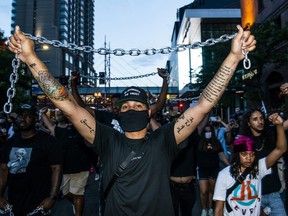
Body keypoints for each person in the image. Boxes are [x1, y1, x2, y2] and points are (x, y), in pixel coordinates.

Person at [8, 25, 256, 215]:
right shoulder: (106, 139)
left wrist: (234, 57)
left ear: (149, 113)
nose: (131, 109)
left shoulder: (164, 139)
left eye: (138, 105)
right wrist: (31, 57)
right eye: (125, 106)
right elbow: (67, 105)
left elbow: (204, 104)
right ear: (118, 113)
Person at [213, 113, 287, 216]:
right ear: (237, 154)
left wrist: (279, 125)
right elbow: (218, 210)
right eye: (244, 154)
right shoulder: (224, 175)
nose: (248, 158)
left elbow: (281, 149)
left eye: (251, 154)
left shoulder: (258, 168)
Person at [0, 104, 63, 216]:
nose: (22, 119)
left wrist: (52, 197)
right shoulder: (9, 143)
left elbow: (56, 169)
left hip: (39, 202)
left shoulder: (48, 141)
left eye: (27, 116)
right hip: (14, 201)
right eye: (20, 116)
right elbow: (4, 171)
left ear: (35, 118)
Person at [40, 107, 91, 216]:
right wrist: (42, 113)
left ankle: (78, 210)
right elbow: (49, 125)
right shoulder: (56, 130)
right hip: (63, 169)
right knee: (64, 193)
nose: (60, 114)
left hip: (80, 168)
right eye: (59, 112)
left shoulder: (77, 128)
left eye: (63, 112)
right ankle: (77, 202)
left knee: (78, 194)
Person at [239, 108, 287, 215]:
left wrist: (278, 124)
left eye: (261, 118)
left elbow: (282, 148)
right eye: (255, 119)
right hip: (253, 196)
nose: (259, 121)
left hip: (274, 194)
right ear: (248, 122)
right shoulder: (243, 142)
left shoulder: (271, 136)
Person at [197, 124, 230, 216]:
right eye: (206, 131)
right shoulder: (199, 142)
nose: (208, 133)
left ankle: (211, 208)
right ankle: (204, 209)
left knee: (212, 190)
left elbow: (221, 154)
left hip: (214, 168)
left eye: (210, 131)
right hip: (202, 168)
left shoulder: (216, 142)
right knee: (203, 191)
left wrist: (229, 165)